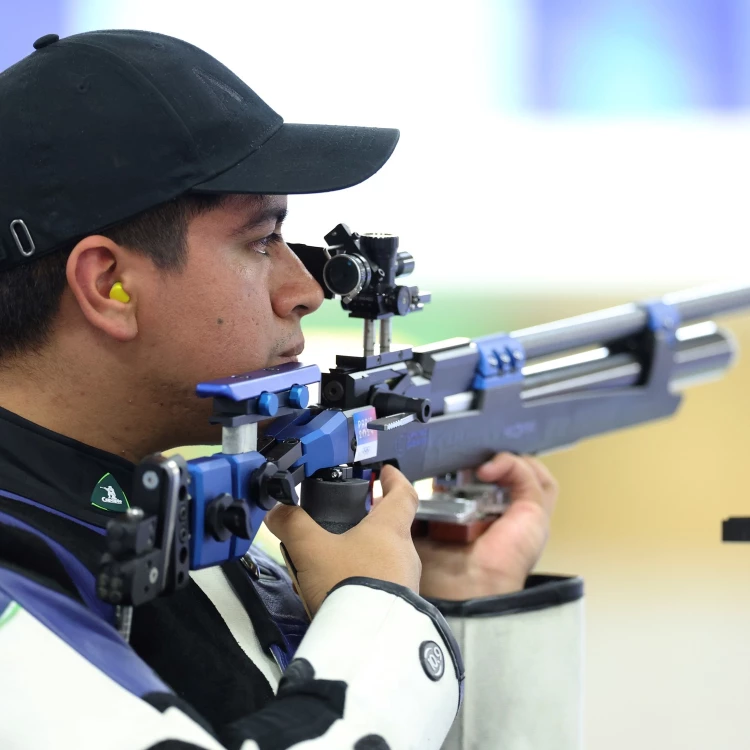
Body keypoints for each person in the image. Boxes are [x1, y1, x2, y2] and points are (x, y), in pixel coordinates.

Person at [0, 29, 583, 749]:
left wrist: (460, 606)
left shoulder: (185, 528)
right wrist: (377, 613)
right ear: (109, 286)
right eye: (260, 239)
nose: (307, 289)